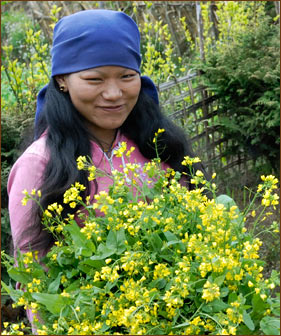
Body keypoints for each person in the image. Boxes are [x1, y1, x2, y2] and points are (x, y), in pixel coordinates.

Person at [8, 9, 208, 265]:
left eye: (127, 76)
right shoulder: (39, 164)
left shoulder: (159, 145)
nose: (114, 93)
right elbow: (34, 279)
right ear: (62, 81)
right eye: (94, 79)